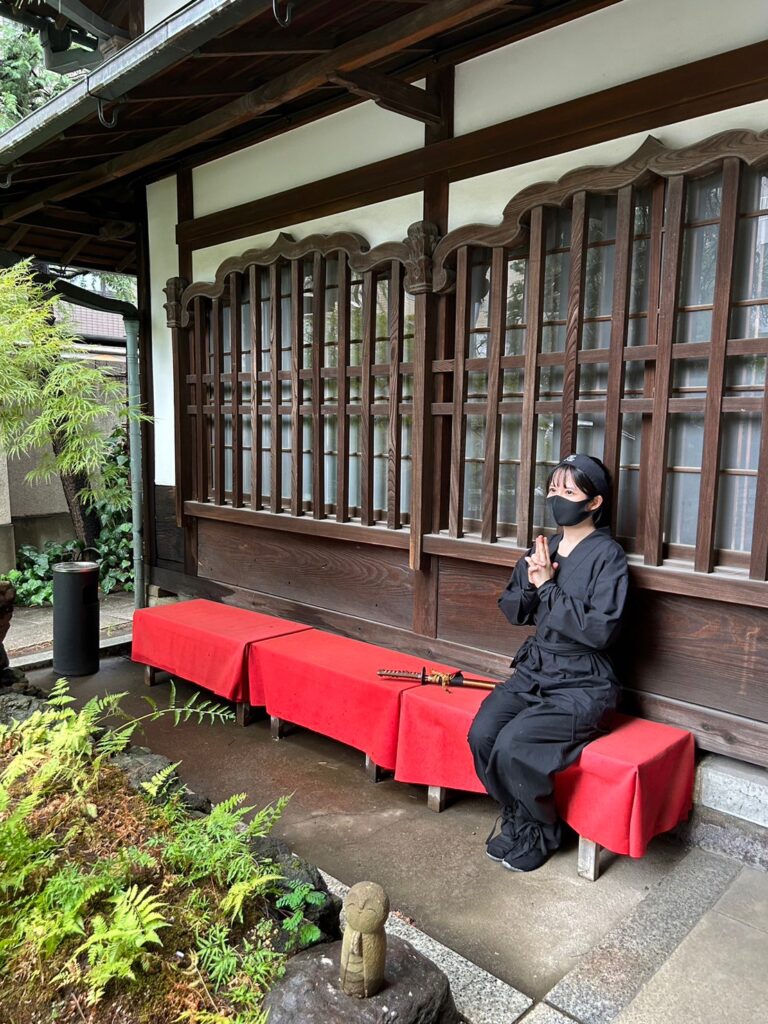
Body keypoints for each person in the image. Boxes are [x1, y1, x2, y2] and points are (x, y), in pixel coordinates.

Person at [467, 453, 628, 873]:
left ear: (593, 503)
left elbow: (599, 631)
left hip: (582, 683)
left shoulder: (608, 557)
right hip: (536, 671)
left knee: (515, 746)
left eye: (568, 491)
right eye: (553, 489)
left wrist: (549, 587)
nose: (557, 498)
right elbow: (514, 610)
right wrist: (531, 579)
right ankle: (520, 818)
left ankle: (543, 830)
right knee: (482, 735)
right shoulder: (546, 548)